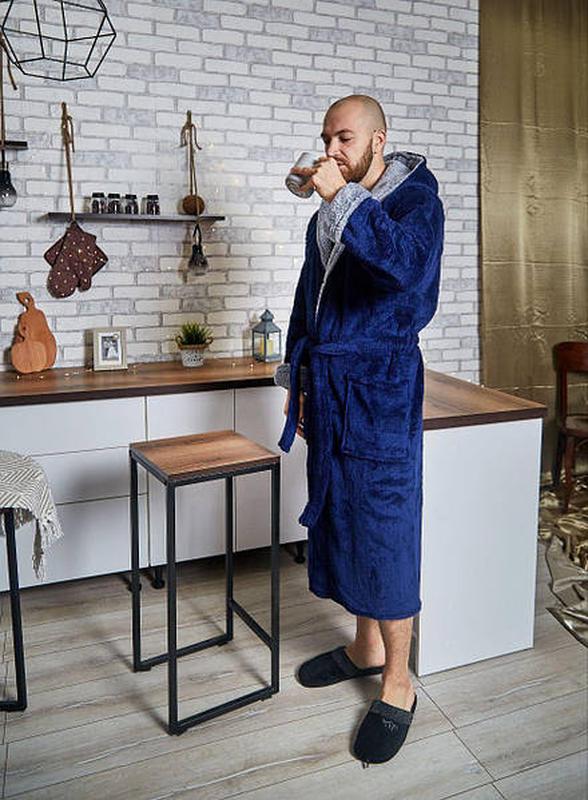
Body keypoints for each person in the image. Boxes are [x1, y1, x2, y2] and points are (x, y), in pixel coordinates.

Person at [274, 94, 445, 766]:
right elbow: (308, 300)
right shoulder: (334, 204)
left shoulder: (417, 201)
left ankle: (398, 681)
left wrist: (340, 197)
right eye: (326, 138)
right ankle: (366, 647)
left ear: (379, 140)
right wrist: (298, 380)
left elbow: (407, 271)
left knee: (385, 528)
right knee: (345, 519)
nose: (330, 150)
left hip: (379, 389)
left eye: (343, 138)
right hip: (331, 387)